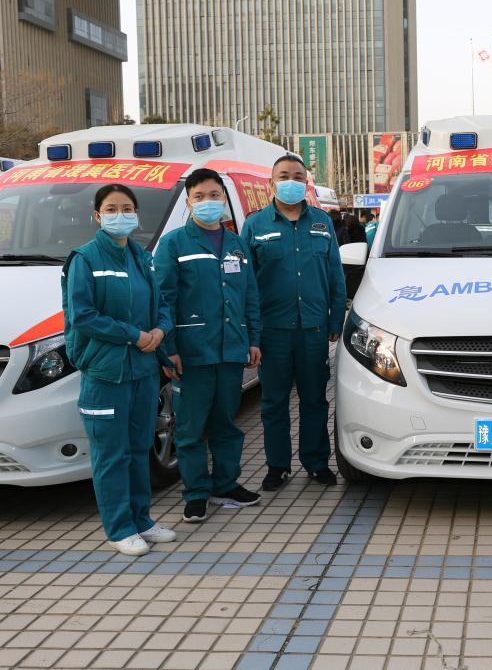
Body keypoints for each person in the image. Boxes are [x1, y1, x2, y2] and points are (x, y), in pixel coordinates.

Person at [61, 184, 176, 556]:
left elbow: (161, 303)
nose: (120, 215)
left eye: (127, 208)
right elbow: (82, 315)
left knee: (140, 448)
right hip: (106, 372)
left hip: (142, 370)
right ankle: (119, 527)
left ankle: (141, 519)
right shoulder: (85, 259)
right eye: (111, 209)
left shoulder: (141, 257)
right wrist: (134, 335)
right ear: (97, 216)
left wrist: (160, 331)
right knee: (111, 453)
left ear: (136, 214)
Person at [155, 168, 263, 523]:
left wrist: (254, 339)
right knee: (189, 429)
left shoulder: (236, 244)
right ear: (188, 203)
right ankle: (196, 493)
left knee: (226, 424)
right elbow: (164, 301)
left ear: (224, 200)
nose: (208, 202)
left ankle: (225, 484)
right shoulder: (174, 244)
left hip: (231, 350)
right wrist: (169, 348)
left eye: (214, 195)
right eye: (199, 197)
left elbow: (249, 295)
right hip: (192, 353)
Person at [242, 155, 347, 490]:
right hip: (272, 331)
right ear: (271, 183)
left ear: (306, 183)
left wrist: (336, 318)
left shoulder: (322, 222)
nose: (291, 181)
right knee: (273, 403)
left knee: (315, 399)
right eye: (284, 175)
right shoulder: (255, 225)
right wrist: (252, 332)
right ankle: (278, 466)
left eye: (298, 176)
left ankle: (316, 463)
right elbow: (246, 283)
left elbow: (335, 273)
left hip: (314, 329)